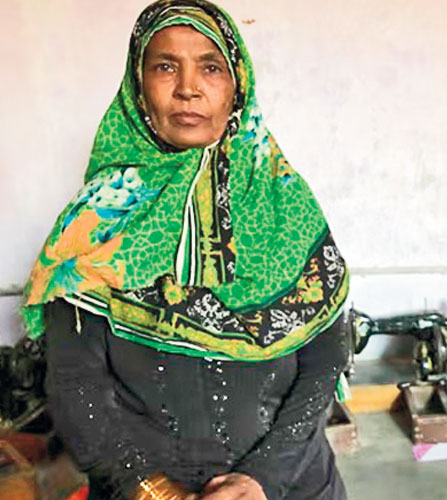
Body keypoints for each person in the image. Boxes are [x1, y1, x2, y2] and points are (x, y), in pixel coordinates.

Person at [20, 1, 350, 499]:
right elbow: (74, 380)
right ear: (138, 86)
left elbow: (325, 359)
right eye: (165, 66)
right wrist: (148, 488)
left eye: (211, 67)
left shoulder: (287, 208)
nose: (188, 88)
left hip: (290, 486)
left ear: (237, 86)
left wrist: (263, 478)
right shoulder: (93, 224)